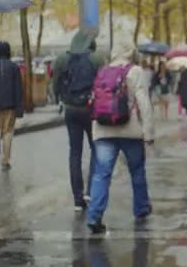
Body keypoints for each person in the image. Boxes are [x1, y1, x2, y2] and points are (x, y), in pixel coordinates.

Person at [87, 36, 154, 234]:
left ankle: (94, 216)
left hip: (103, 129)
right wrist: (148, 132)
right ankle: (141, 208)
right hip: (130, 129)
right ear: (130, 51)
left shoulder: (103, 71)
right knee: (137, 170)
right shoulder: (135, 71)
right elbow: (144, 103)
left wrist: (94, 130)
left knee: (101, 174)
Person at [53, 29, 103, 211]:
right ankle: (91, 191)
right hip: (91, 109)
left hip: (71, 110)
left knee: (75, 152)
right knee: (96, 148)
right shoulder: (96, 59)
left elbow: (55, 84)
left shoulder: (62, 59)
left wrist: (59, 99)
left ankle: (77, 198)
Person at [0, 41, 23, 170]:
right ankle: (5, 162)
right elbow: (18, 88)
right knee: (7, 133)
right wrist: (19, 109)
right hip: (10, 106)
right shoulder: (14, 67)